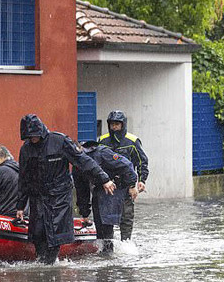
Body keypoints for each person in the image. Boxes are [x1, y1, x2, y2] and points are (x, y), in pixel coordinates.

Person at [16, 114, 115, 264]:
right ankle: (43, 263)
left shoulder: (59, 141)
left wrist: (104, 179)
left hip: (59, 196)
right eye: (30, 137)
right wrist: (20, 206)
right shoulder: (26, 150)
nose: (33, 139)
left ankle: (49, 265)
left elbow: (83, 161)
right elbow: (24, 178)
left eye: (35, 136)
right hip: (38, 197)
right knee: (38, 233)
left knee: (55, 234)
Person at [73, 141, 139, 252]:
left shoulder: (101, 153)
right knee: (101, 223)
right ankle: (106, 251)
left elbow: (126, 165)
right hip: (100, 189)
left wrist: (132, 185)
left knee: (118, 219)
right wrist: (84, 213)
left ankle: (124, 246)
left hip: (119, 185)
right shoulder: (77, 165)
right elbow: (82, 190)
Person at [99, 110, 149, 241]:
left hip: (127, 186)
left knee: (126, 217)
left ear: (123, 124)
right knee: (106, 219)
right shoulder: (102, 141)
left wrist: (142, 180)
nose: (114, 127)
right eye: (112, 124)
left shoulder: (132, 141)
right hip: (108, 186)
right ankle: (107, 247)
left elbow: (142, 161)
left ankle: (126, 243)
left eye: (117, 124)